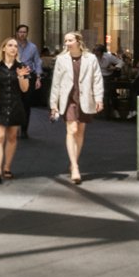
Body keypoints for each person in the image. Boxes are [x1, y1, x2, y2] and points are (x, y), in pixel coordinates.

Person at [49, 31, 105, 185]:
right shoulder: (61, 59)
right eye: (65, 40)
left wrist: (99, 99)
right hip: (68, 99)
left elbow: (97, 79)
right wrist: (53, 104)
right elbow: (56, 83)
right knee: (72, 130)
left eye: (70, 40)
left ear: (78, 41)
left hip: (85, 98)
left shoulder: (90, 58)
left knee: (80, 131)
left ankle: (74, 160)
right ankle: (74, 166)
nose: (67, 43)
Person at [0, 37, 33, 182]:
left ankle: (7, 167)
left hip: (15, 105)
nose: (13, 48)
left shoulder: (22, 66)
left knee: (11, 138)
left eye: (16, 46)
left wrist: (21, 76)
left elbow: (25, 89)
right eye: (10, 45)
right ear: (4, 48)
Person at [13, 25, 41, 138]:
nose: (22, 34)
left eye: (24, 32)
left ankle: (24, 129)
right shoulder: (12, 45)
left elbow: (37, 62)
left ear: (27, 33)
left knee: (26, 104)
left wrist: (38, 77)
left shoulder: (33, 47)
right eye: (20, 32)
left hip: (28, 77)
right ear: (17, 33)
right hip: (14, 77)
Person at [96, 39, 127, 117]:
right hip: (98, 76)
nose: (95, 53)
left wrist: (114, 68)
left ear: (102, 52)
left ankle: (113, 110)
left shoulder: (109, 57)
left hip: (108, 76)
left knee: (110, 93)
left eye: (97, 51)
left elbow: (121, 62)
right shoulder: (93, 57)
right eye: (95, 51)